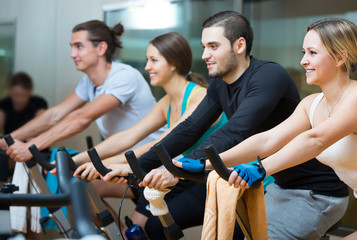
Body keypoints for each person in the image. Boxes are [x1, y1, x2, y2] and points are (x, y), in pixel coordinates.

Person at [104, 11, 348, 240]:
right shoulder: (220, 84)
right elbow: (190, 128)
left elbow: (236, 132)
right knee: (161, 226)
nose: (204, 55)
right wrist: (138, 168)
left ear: (239, 46)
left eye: (213, 46)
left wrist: (178, 169)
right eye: (204, 47)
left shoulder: (268, 76)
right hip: (277, 186)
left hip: (314, 193)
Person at [224, 17, 357, 240]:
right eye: (304, 52)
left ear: (340, 57)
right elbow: (268, 140)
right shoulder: (311, 104)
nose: (303, 61)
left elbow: (316, 140)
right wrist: (209, 162)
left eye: (312, 52)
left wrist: (260, 169)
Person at [70, 32, 227, 225]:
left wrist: (107, 165)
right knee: (132, 225)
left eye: (153, 60)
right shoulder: (167, 102)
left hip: (216, 177)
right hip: (187, 175)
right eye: (147, 60)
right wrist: (78, 159)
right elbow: (128, 136)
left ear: (173, 63)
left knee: (150, 227)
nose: (147, 67)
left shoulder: (199, 98)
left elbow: (163, 142)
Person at [0, 20, 162, 162]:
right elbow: (54, 115)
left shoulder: (124, 76)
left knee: (81, 186)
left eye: (79, 47)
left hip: (156, 159)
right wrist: (10, 139)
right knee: (82, 186)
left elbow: (81, 118)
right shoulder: (88, 82)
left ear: (101, 48)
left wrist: (31, 146)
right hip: (130, 160)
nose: (72, 54)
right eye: (72, 47)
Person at [0, 72, 47, 185]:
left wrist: (30, 140)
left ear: (30, 91)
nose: (20, 99)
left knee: (33, 144)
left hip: (34, 147)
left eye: (24, 95)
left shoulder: (38, 103)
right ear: (11, 91)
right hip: (11, 150)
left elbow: (43, 124)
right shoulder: (5, 105)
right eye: (16, 95)